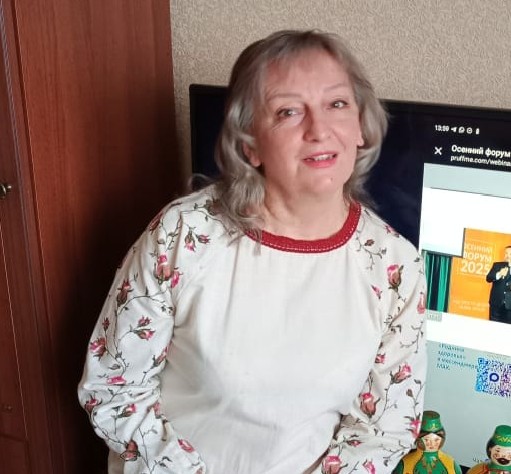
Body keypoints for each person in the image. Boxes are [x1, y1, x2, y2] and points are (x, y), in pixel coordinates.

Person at [77, 29, 427, 474]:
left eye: (337, 104)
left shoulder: (396, 266)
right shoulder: (182, 235)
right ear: (250, 145)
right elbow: (114, 389)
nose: (319, 130)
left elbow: (386, 428)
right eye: (288, 111)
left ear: (361, 126)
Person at [393, 411, 462, 474]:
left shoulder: (451, 464)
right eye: (426, 440)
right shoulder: (404, 464)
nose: (432, 444)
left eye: (436, 440)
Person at [485, 245, 511, 325]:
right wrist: (499, 274)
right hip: (496, 303)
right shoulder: (497, 265)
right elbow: (488, 279)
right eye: (506, 253)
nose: (508, 255)